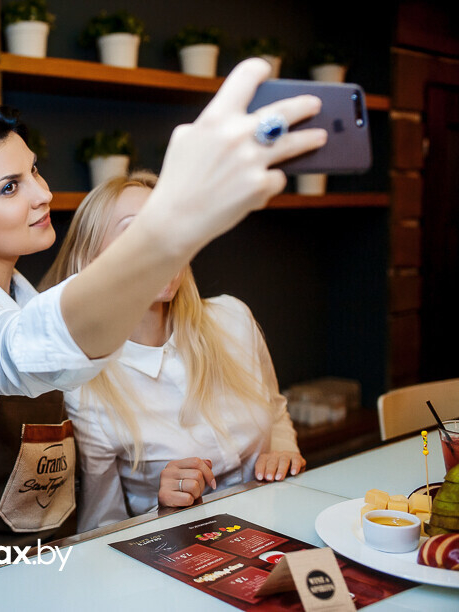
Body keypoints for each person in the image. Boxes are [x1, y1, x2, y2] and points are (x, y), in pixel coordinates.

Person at [0, 58, 325, 577]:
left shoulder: (23, 299)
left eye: (34, 171)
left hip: (28, 571)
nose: (42, 194)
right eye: (10, 187)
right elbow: (21, 352)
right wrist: (170, 221)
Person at [42, 171, 305, 533]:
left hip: (279, 530)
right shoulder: (86, 388)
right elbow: (101, 526)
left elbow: (275, 410)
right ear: (92, 261)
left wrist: (284, 451)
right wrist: (162, 508)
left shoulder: (234, 318)